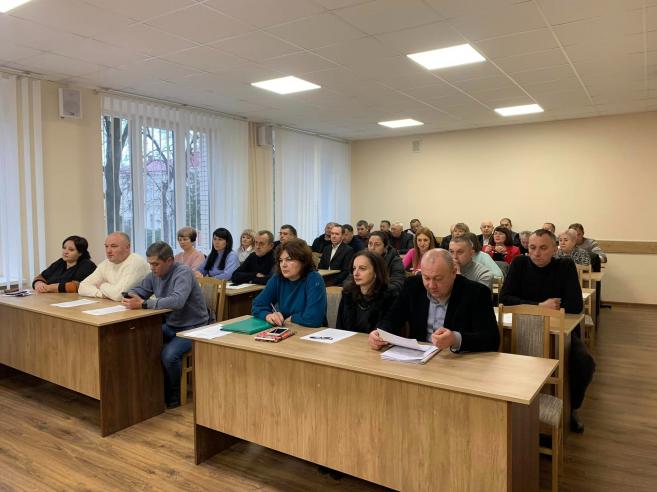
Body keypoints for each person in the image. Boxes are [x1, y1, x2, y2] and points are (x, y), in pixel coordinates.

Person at [499, 229, 595, 433]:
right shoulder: (519, 263)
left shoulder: (565, 266)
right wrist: (540, 306)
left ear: (554, 249)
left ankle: (572, 408)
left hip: (559, 329)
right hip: (521, 327)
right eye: (532, 247)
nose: (536, 253)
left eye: (543, 248)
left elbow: (575, 305)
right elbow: (504, 299)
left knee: (584, 362)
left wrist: (526, 304)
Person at [122, 241, 208, 409]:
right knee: (139, 341)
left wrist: (144, 304)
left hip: (194, 327)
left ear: (169, 260)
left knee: (169, 355)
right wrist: (130, 295)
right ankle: (149, 391)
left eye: (156, 264)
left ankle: (173, 396)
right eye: (150, 264)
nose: (152, 268)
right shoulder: (154, 275)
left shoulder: (183, 272)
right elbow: (139, 290)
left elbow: (177, 301)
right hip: (172, 325)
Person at [368, 249, 499, 352]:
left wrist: (455, 339)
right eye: (426, 278)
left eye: (438, 279)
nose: (431, 285)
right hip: (419, 357)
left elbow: (492, 339)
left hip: (457, 360)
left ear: (454, 273)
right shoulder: (412, 286)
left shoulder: (476, 293)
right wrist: (380, 333)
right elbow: (392, 319)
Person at [252, 239, 327, 327]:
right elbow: (257, 305)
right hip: (287, 328)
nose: (283, 265)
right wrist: (268, 315)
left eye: (289, 259)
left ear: (303, 261)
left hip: (312, 331)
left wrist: (292, 318)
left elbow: (314, 318)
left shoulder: (314, 278)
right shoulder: (277, 278)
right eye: (281, 260)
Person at [79, 232, 149, 301]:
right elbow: (82, 287)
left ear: (127, 247)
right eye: (106, 246)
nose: (108, 251)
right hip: (115, 304)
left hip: (145, 306)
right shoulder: (105, 263)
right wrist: (100, 294)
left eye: (114, 246)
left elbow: (119, 295)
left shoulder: (136, 262)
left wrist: (102, 285)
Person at [336, 251, 395, 333]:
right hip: (349, 340)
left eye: (362, 268)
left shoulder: (389, 295)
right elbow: (339, 327)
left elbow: (388, 330)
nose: (356, 273)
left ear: (376, 272)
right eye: (354, 268)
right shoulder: (348, 293)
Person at [32, 235, 96, 293]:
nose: (65, 252)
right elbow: (41, 276)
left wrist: (48, 288)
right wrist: (38, 284)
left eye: (71, 250)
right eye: (64, 248)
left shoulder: (87, 265)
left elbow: (76, 286)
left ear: (80, 253)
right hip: (51, 298)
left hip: (73, 300)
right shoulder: (60, 262)